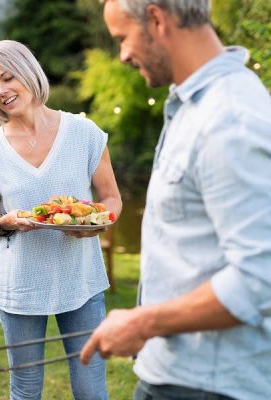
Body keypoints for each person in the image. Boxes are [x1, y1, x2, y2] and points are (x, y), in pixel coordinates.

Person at [80, 1, 271, 399]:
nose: (123, 55)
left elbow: (260, 279)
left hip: (208, 385)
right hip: (174, 373)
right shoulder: (192, 106)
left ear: (156, 19)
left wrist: (143, 323)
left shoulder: (229, 120)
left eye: (122, 38)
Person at [0, 39, 122, 399]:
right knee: (24, 390)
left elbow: (112, 198)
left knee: (90, 389)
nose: (1, 91)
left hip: (81, 280)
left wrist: (100, 222)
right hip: (20, 285)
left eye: (8, 78)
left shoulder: (84, 133)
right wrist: (3, 221)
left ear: (29, 73)